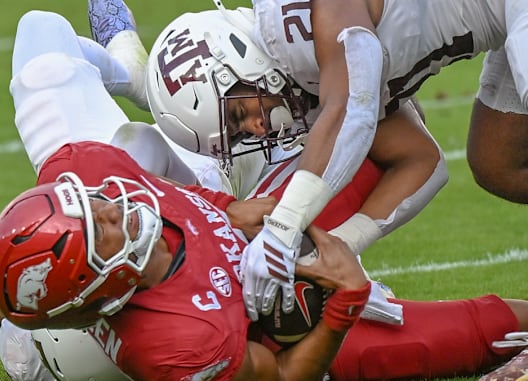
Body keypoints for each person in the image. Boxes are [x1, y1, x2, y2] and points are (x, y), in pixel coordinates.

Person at [0, 4, 528, 381]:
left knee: (139, 146)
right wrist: (341, 304)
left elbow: (39, 36)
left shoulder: (90, 170)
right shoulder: (182, 342)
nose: (115, 205)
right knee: (34, 349)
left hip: (233, 215)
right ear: (111, 280)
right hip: (265, 325)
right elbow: (281, 377)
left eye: (98, 203)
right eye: (108, 227)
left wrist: (130, 75)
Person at [143, 4, 447, 320]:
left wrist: (305, 243)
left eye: (238, 114)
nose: (257, 129)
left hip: (498, 16)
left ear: (237, 57)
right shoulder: (297, 75)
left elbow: (421, 157)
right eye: (238, 133)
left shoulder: (299, 45)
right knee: (489, 164)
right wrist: (331, 252)